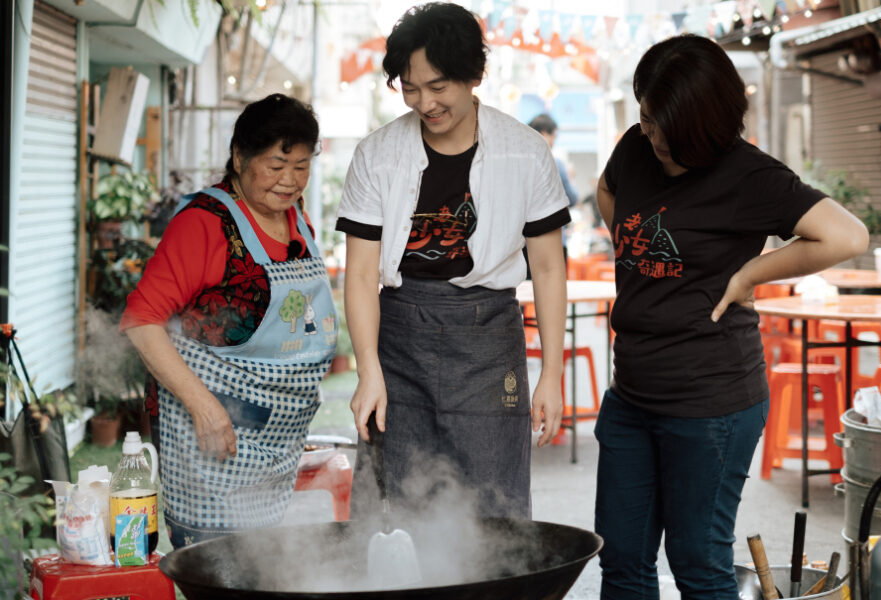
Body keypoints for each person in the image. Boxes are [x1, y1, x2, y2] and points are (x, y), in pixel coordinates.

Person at [593, 34, 868, 599]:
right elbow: (607, 190)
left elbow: (846, 234)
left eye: (664, 125)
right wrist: (635, 249)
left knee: (696, 563)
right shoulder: (635, 147)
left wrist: (748, 275)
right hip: (632, 396)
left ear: (705, 125)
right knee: (621, 559)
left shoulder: (749, 176)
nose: (650, 133)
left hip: (711, 405)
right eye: (646, 116)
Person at [336, 2, 569, 519]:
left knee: (493, 504)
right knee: (395, 502)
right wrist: (368, 370)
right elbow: (360, 273)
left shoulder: (525, 152)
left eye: (438, 86)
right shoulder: (377, 155)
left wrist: (551, 374)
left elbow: (549, 269)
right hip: (400, 334)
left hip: (488, 336)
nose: (425, 102)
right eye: (410, 87)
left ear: (473, 75)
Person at [120, 93, 336, 548]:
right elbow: (142, 320)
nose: (290, 180)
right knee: (218, 562)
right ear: (239, 156)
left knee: (267, 563)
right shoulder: (204, 224)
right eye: (276, 165)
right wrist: (203, 407)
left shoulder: (298, 221)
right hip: (213, 432)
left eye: (301, 166)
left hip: (278, 438)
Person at [528, 113, 578, 206]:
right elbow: (571, 198)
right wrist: (571, 177)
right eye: (554, 137)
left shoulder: (518, 162)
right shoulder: (555, 164)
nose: (553, 143)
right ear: (544, 134)